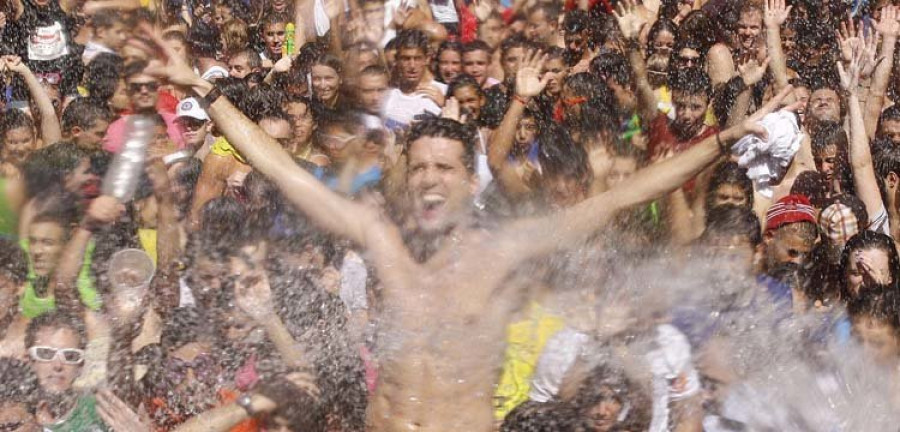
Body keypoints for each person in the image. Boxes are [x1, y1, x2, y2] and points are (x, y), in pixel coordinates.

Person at [137, 22, 793, 429]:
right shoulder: (380, 239)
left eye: (445, 167)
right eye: (419, 166)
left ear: (469, 179)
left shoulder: (505, 247)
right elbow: (282, 169)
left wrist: (722, 138)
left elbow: (621, 199)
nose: (429, 178)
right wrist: (204, 87)